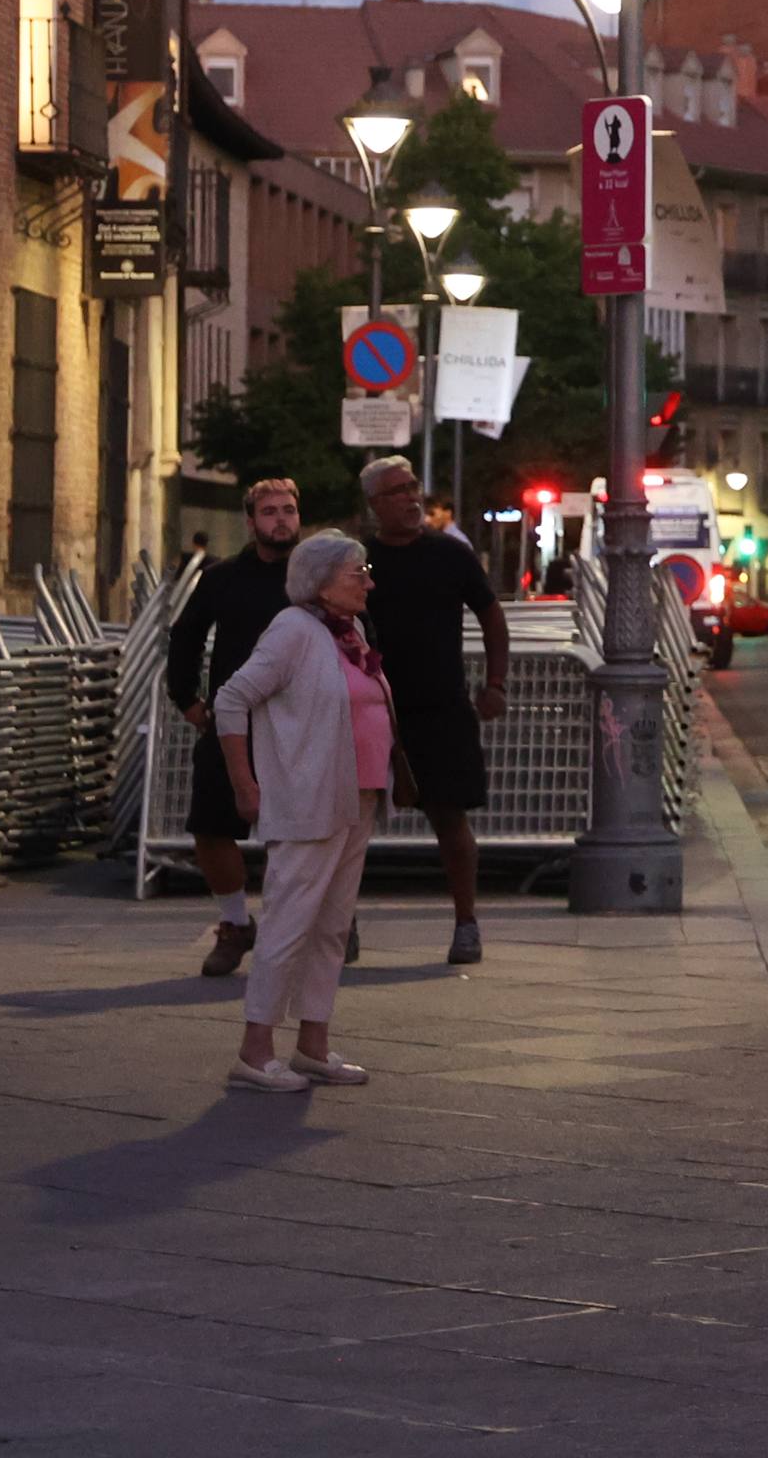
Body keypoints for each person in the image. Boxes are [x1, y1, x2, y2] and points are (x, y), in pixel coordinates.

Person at [214, 532, 391, 1093]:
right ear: (319, 581)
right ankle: (254, 1048)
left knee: (332, 925)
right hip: (308, 798)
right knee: (290, 922)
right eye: (356, 572)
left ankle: (313, 1044)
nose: (368, 581)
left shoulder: (349, 631)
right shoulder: (294, 629)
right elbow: (231, 698)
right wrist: (245, 782)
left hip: (354, 797)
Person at [358, 455, 508, 965]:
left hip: (441, 705)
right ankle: (343, 923)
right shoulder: (361, 561)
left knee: (450, 817)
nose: (411, 497)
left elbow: (491, 614)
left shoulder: (450, 555)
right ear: (376, 504)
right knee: (352, 820)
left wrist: (495, 683)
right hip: (373, 708)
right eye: (397, 491)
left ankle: (467, 922)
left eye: (414, 486)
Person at [166, 478, 304, 978]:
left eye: (288, 510)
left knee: (302, 833)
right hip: (233, 722)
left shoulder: (314, 577)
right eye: (269, 511)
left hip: (301, 725)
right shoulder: (224, 577)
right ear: (251, 521)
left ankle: (320, 922)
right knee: (210, 826)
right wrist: (187, 700)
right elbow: (185, 636)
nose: (280, 519)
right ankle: (234, 923)